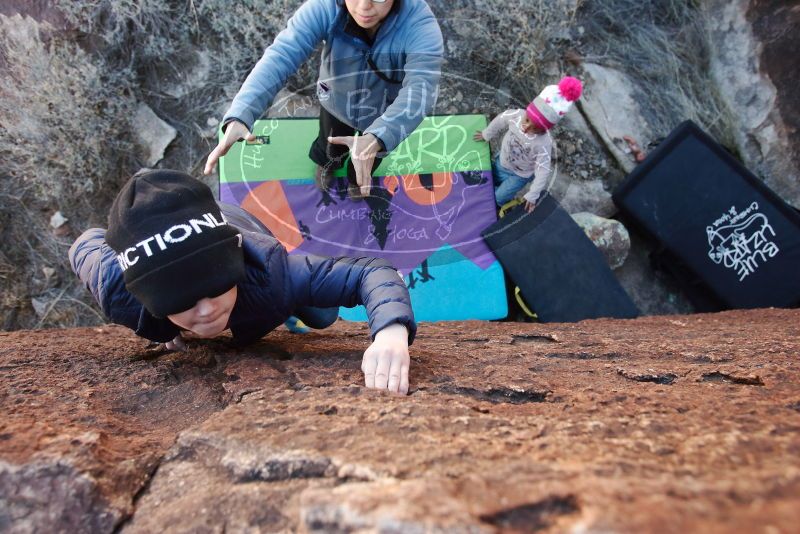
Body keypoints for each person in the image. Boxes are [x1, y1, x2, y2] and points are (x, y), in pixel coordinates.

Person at [69, 170, 416, 394]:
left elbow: (371, 271)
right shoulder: (118, 288)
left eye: (217, 284)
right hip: (193, 241)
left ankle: (286, 308)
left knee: (322, 317)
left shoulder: (274, 274)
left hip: (241, 229)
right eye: (179, 299)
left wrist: (390, 332)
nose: (205, 311)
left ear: (233, 264)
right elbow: (86, 242)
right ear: (144, 294)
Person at [203, 0, 444, 200]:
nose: (364, 7)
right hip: (335, 104)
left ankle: (357, 181)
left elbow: (421, 89)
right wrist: (241, 113)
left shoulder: (420, 26)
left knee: (368, 157)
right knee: (329, 146)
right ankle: (327, 167)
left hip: (382, 113)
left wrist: (380, 135)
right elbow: (282, 55)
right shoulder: (325, 7)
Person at [474, 76, 583, 212]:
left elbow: (542, 170)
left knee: (498, 197)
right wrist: (487, 134)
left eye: (535, 128)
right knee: (487, 181)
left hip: (520, 175)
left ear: (545, 129)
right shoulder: (517, 115)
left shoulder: (543, 143)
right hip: (502, 161)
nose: (526, 127)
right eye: (527, 120)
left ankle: (499, 207)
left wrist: (533, 194)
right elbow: (500, 119)